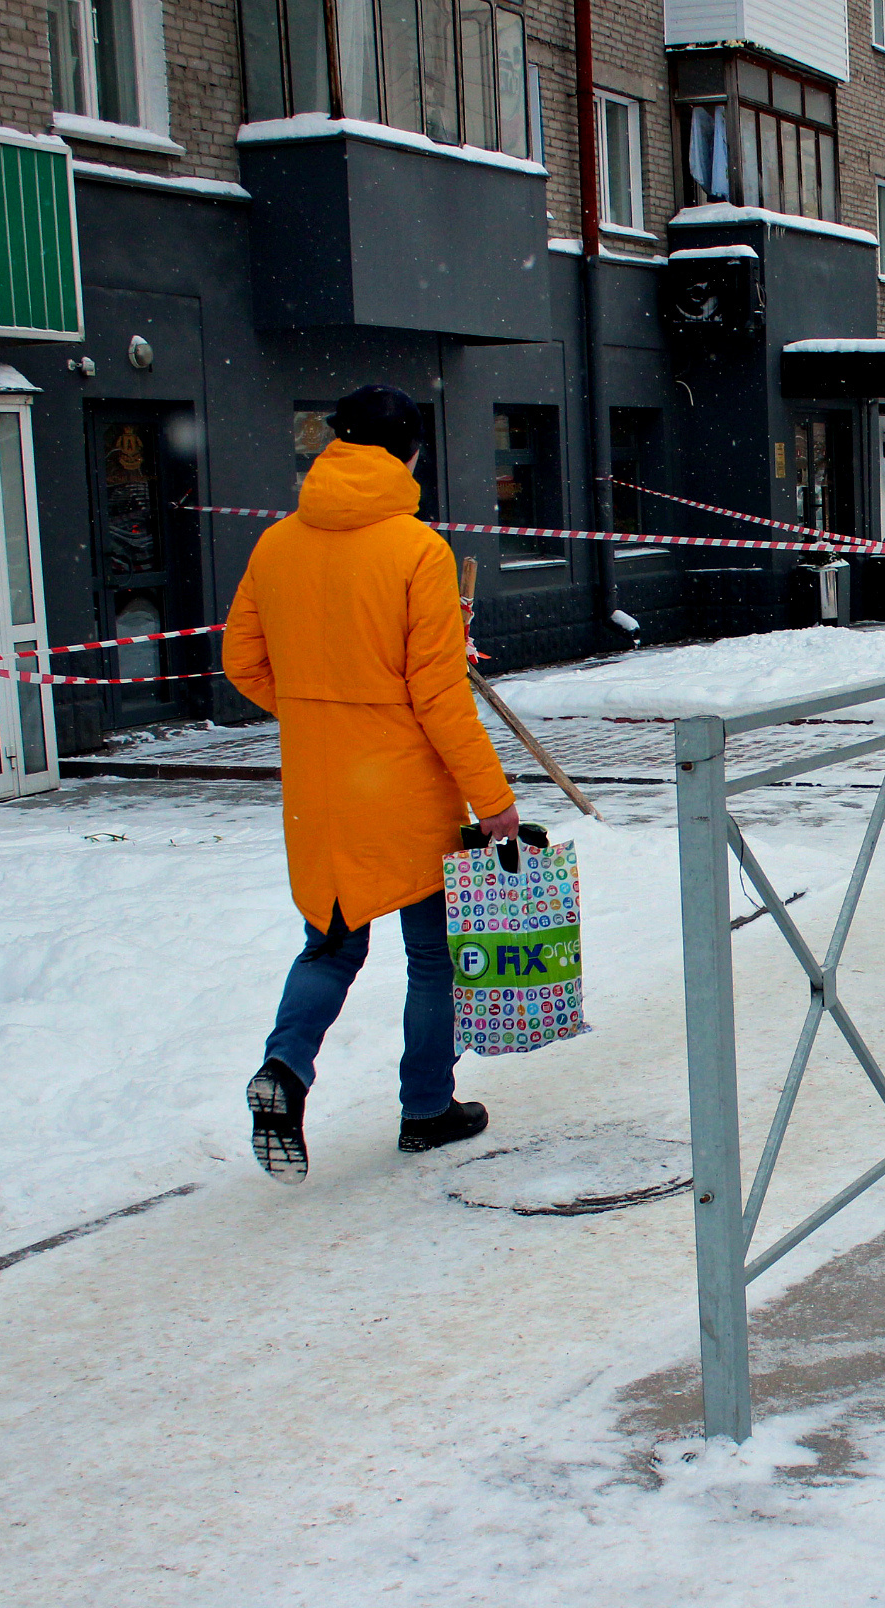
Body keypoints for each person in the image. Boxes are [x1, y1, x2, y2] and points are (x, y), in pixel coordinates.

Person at [223, 384, 517, 1184]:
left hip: (320, 785)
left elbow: (241, 663)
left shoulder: (276, 544)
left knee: (330, 942)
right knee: (434, 954)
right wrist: (493, 802)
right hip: (404, 787)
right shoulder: (415, 550)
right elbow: (439, 695)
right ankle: (426, 1108)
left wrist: (321, 710)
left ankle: (283, 1071)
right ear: (409, 455)